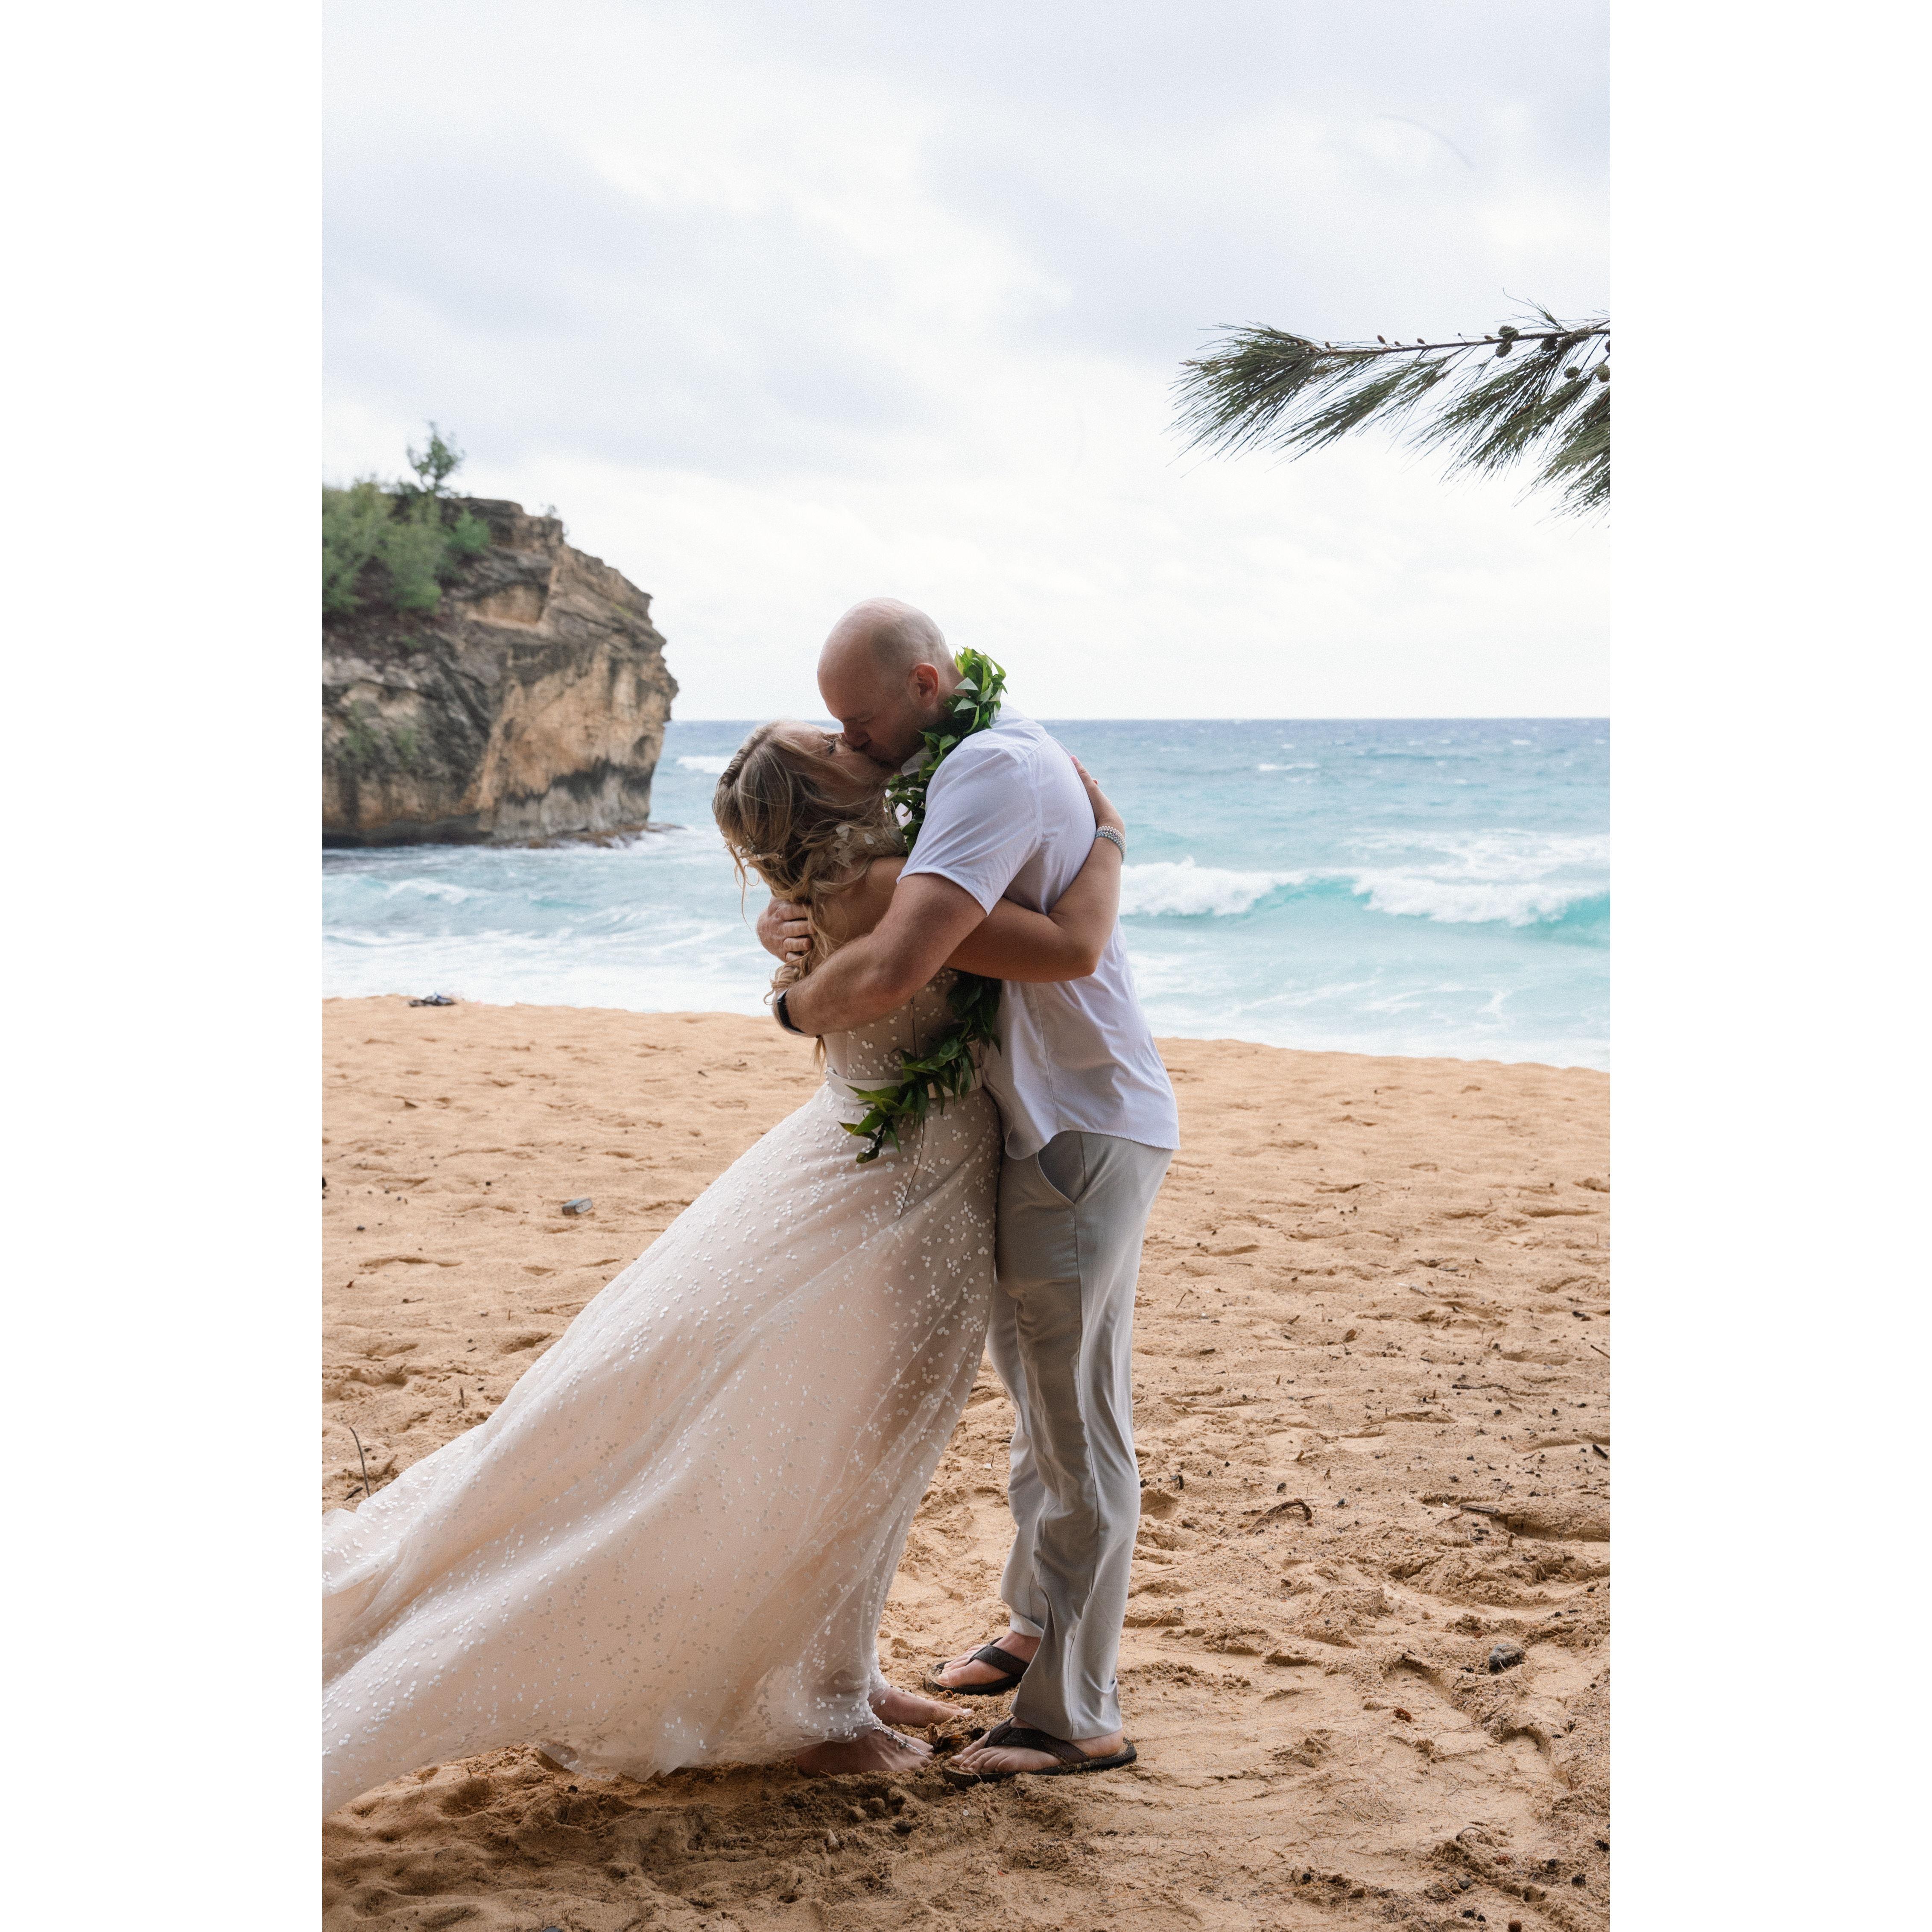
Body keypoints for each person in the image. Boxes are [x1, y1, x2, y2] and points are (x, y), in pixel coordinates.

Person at [320, 719, 1130, 1815]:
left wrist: (791, 944)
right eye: (834, 743)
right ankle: (815, 1704)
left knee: (878, 1436)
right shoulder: (895, 881)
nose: (858, 739)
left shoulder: (851, 879)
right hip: (900, 1178)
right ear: (826, 792)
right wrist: (1109, 838)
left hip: (891, 1163)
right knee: (857, 1436)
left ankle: (841, 1674)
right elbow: (1052, 945)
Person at [759, 598, 1178, 1781]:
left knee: (1078, 1425)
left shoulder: (988, 767)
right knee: (1043, 1406)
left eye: (858, 719)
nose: (849, 745)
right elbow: (922, 921)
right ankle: (1031, 1624)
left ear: (929, 684)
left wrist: (792, 997)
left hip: (1075, 1122)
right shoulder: (967, 768)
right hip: (1052, 1117)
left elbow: (917, 954)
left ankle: (1069, 1715)